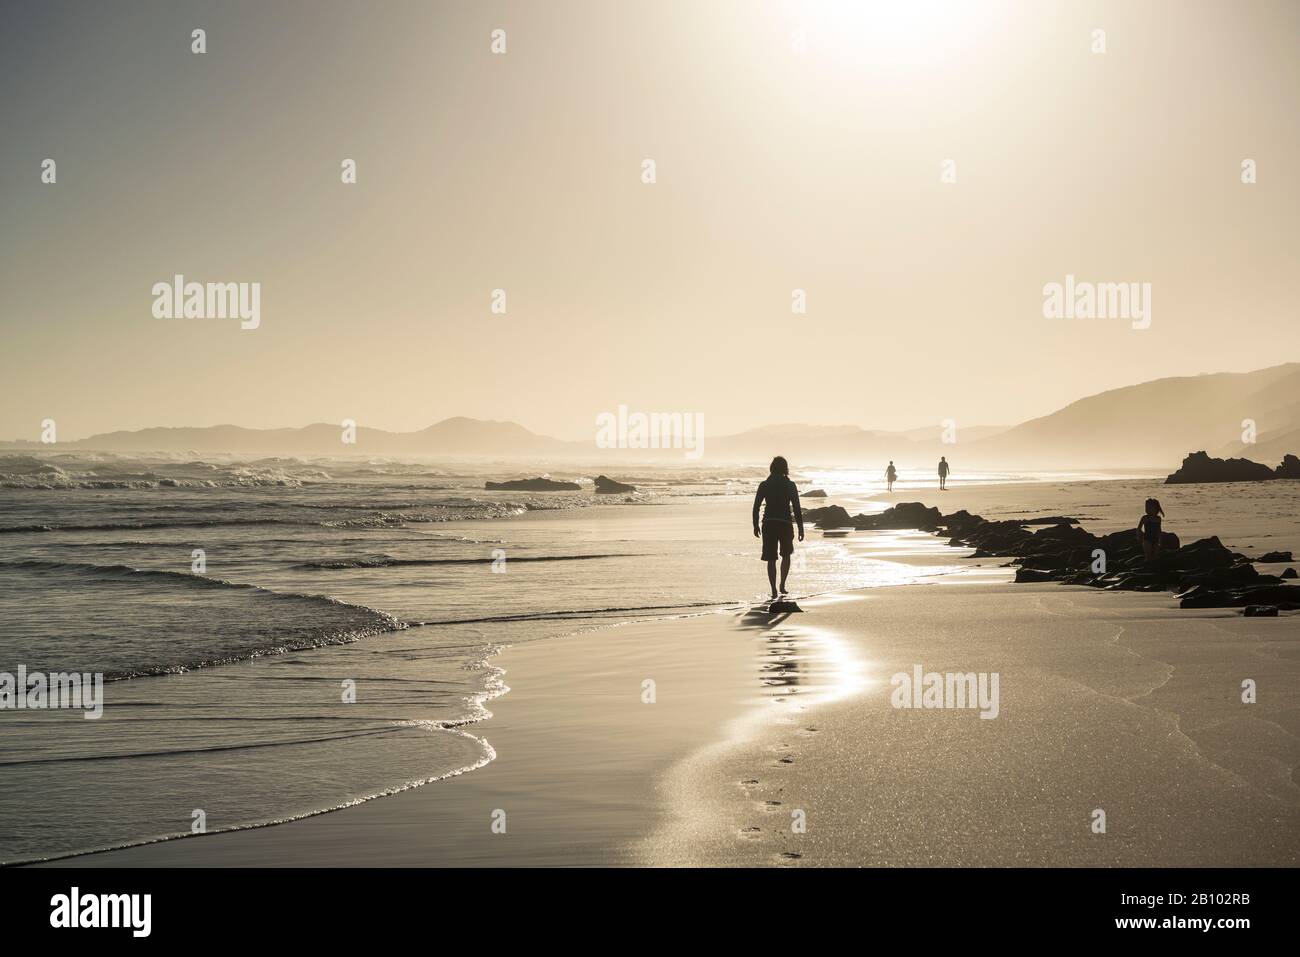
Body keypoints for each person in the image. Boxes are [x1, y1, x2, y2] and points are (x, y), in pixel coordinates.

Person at [752, 456, 804, 600]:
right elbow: (797, 508)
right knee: (786, 555)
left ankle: (774, 589)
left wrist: (755, 524)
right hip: (785, 523)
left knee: (771, 558)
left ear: (771, 468)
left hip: (768, 523)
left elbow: (756, 506)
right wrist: (801, 528)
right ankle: (782, 585)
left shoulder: (764, 485)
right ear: (785, 469)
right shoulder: (790, 485)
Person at [1138, 497, 1164, 563]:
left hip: (1155, 540)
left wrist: (1160, 540)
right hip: (1147, 539)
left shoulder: (1158, 519)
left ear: (1155, 509)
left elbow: (1159, 530)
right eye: (1146, 508)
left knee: (1155, 556)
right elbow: (1139, 528)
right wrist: (1139, 537)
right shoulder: (1145, 518)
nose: (1147, 510)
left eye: (1149, 508)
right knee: (1148, 557)